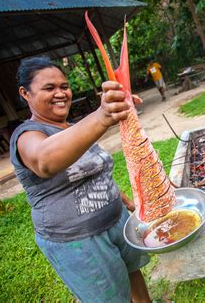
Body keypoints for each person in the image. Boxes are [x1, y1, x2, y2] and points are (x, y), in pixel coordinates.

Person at [9, 57, 151, 302]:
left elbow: (93, 168)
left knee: (132, 273)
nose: (60, 93)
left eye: (64, 86)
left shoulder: (72, 127)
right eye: (49, 88)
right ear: (25, 93)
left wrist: (119, 196)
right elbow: (44, 161)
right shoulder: (26, 136)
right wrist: (102, 116)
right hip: (80, 242)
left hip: (117, 222)